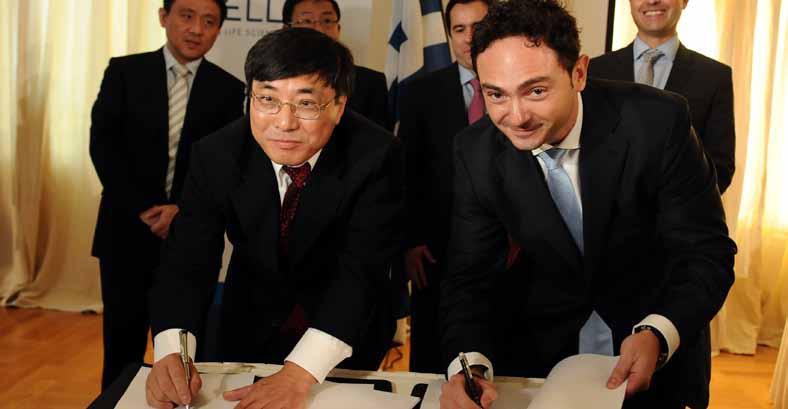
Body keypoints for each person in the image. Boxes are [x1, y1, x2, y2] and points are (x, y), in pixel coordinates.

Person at [438, 1, 736, 408]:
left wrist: (658, 331)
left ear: (578, 73)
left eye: (536, 91)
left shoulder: (658, 121)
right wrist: (469, 365)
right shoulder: (475, 152)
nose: (516, 116)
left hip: (659, 355)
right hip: (544, 358)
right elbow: (469, 277)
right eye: (496, 95)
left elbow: (707, 253)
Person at [144, 28, 403, 409]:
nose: (284, 122)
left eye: (306, 103)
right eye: (267, 99)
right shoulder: (216, 154)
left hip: (343, 331)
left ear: (338, 105)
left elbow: (360, 273)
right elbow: (188, 262)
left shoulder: (377, 156)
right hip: (250, 316)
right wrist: (172, 350)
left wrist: (300, 373)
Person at [89, 0, 244, 390]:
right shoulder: (125, 72)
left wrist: (182, 210)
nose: (196, 29)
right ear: (164, 17)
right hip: (127, 232)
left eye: (209, 21)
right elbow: (104, 147)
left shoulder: (230, 89)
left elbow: (225, 165)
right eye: (186, 16)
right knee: (121, 346)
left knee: (186, 350)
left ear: (218, 29)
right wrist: (145, 209)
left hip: (191, 236)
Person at [398, 0, 490, 374]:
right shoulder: (421, 92)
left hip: (513, 251)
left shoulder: (521, 88)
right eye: (459, 29)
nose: (469, 38)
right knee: (432, 362)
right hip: (436, 253)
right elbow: (407, 173)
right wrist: (410, 242)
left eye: (478, 26)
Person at [588, 0, 735, 193]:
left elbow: (720, 167)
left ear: (685, 2)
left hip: (682, 209)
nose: (652, 1)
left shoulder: (714, 77)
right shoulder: (594, 71)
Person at [282, 0, 392, 130]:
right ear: (286, 29)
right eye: (307, 21)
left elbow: (378, 138)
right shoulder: (271, 78)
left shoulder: (371, 82)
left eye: (327, 21)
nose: (319, 29)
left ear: (338, 29)